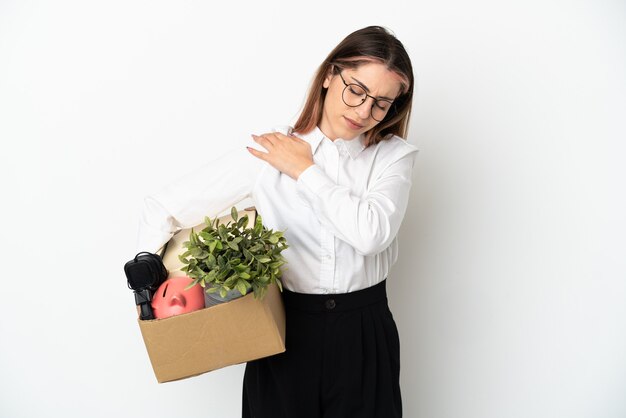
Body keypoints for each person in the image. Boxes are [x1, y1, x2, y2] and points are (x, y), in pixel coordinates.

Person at [137, 25, 418, 418]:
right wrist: (147, 278)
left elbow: (370, 235)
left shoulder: (392, 157)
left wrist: (305, 171)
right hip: (286, 331)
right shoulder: (269, 153)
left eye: (381, 103)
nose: (363, 112)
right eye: (356, 90)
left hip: (365, 331)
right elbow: (163, 207)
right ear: (328, 76)